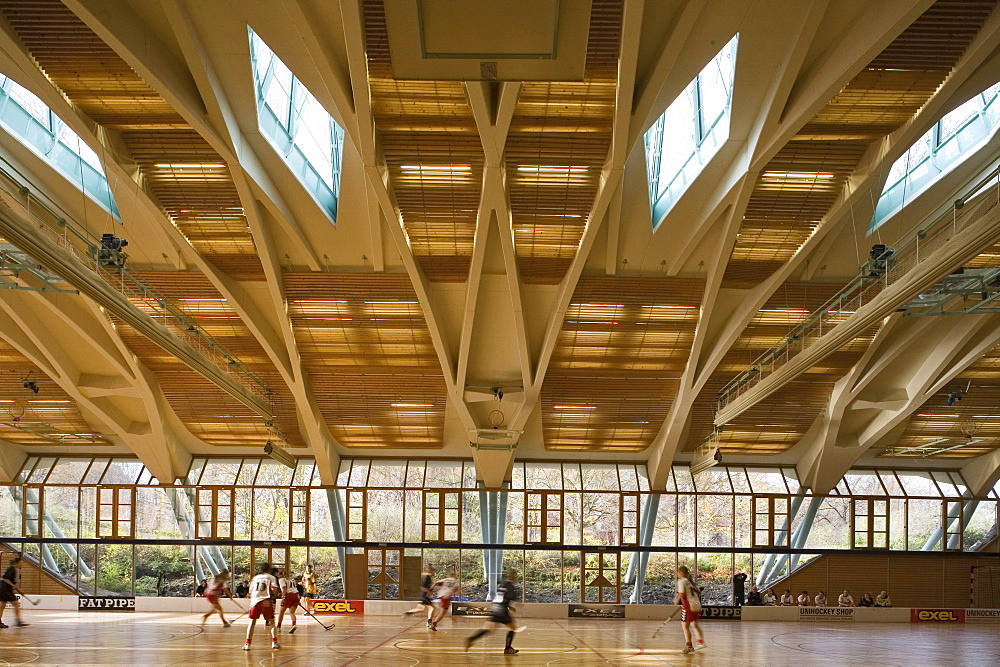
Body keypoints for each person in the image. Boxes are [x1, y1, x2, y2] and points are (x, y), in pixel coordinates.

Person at [465, 569, 521, 655]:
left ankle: (472, 639)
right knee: (513, 628)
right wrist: (515, 605)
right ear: (514, 577)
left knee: (488, 629)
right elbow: (511, 598)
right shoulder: (511, 587)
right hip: (501, 610)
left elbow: (501, 598)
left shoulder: (503, 585)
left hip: (494, 608)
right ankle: (507, 648)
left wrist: (509, 606)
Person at [244, 563, 280, 651]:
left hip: (255, 601)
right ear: (269, 570)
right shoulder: (271, 577)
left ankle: (247, 644)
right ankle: (274, 642)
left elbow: (250, 591)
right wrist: (274, 594)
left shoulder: (255, 577)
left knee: (252, 623)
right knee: (272, 622)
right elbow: (274, 589)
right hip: (266, 600)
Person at [674, 566, 705, 654]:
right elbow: (698, 591)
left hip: (689, 606)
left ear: (681, 573)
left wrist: (676, 600)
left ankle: (689, 646)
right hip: (697, 605)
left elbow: (681, 593)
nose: (677, 574)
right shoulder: (690, 582)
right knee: (694, 624)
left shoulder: (681, 581)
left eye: (678, 572)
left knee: (685, 627)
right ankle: (700, 642)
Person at [0, 555, 27, 628]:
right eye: (20, 563)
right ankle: (18, 621)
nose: (21, 564)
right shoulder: (12, 569)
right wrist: (12, 585)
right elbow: (5, 579)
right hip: (5, 589)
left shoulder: (16, 570)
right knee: (15, 604)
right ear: (16, 563)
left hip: (4, 589)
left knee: (2, 606)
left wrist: (20, 591)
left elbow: (16, 584)